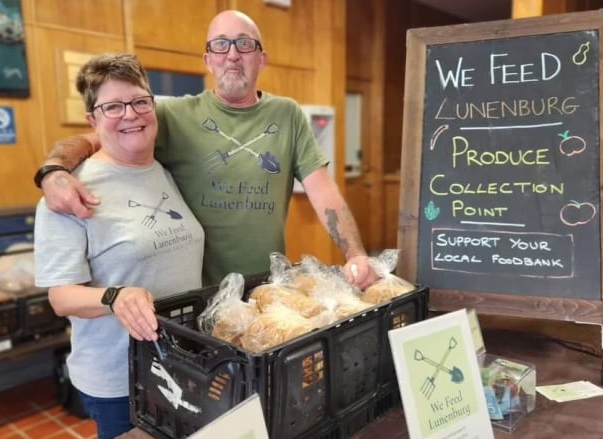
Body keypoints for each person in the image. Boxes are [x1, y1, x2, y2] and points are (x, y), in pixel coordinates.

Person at [35, 10, 378, 289]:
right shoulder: (172, 115)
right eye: (220, 45)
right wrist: (54, 171)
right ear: (208, 60)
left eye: (244, 44)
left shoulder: (287, 114)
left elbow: (324, 191)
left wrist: (355, 254)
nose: (232, 54)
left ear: (262, 58)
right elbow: (99, 136)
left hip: (268, 287)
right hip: (198, 294)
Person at [33, 53, 205, 439]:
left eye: (140, 101)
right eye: (113, 106)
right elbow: (60, 297)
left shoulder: (162, 170)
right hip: (120, 376)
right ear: (92, 120)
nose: (131, 114)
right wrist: (115, 296)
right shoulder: (68, 193)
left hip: (182, 362)